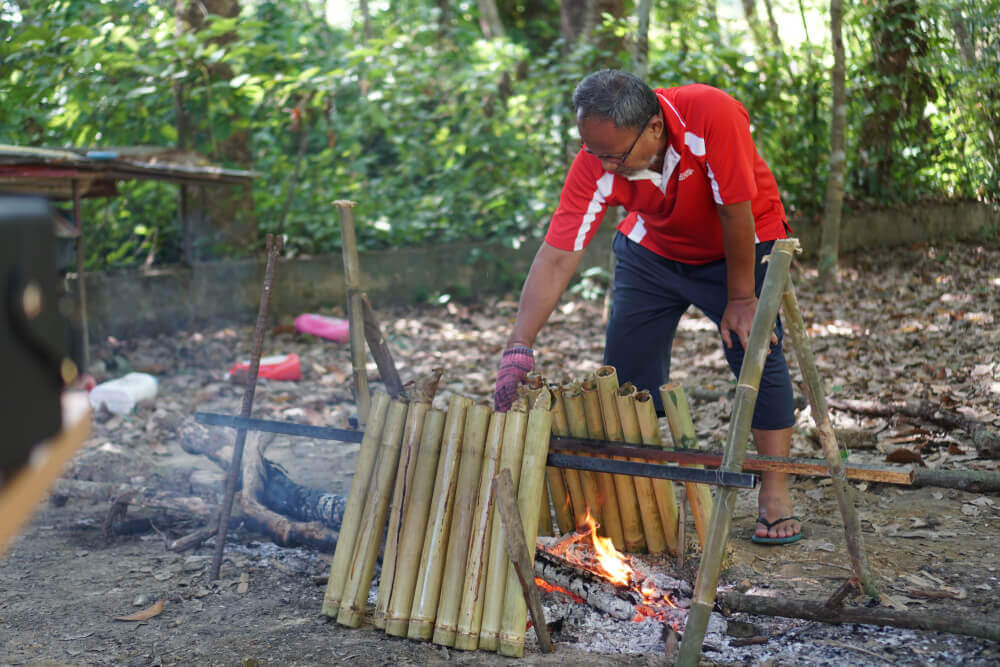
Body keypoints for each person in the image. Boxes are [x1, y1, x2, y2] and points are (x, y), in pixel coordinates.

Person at [493, 69, 801, 545]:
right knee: (627, 373)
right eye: (593, 153)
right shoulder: (595, 162)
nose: (604, 166)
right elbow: (557, 254)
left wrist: (741, 298)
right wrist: (520, 344)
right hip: (654, 249)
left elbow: (734, 208)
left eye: (614, 155)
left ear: (654, 127)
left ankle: (774, 494)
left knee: (754, 349)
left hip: (741, 240)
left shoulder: (710, 113)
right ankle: (638, 495)